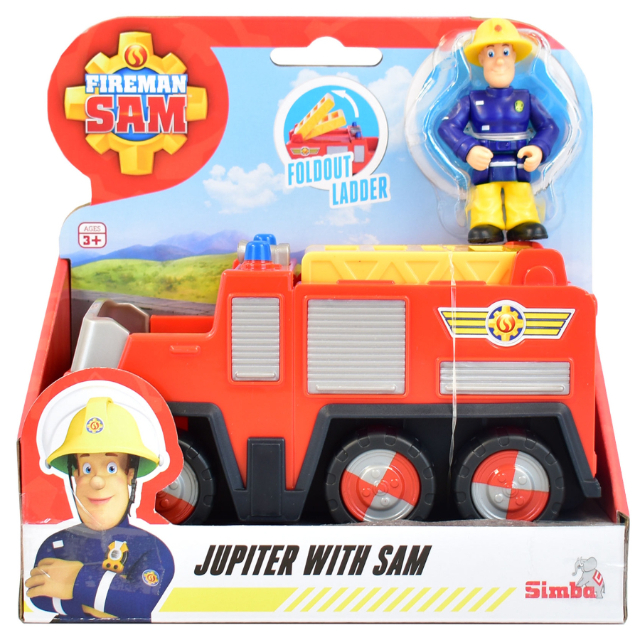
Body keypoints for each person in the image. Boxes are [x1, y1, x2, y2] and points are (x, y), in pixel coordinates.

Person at [25, 397, 174, 621]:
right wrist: (100, 602)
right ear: (75, 475)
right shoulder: (55, 543)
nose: (96, 481)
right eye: (86, 469)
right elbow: (37, 594)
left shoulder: (151, 547)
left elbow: (140, 604)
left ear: (129, 475)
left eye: (111, 468)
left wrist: (76, 580)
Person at [439, 18, 559, 244]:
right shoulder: (472, 100)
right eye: (491, 54)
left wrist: (538, 148)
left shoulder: (526, 99)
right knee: (485, 195)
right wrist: (468, 149)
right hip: (485, 162)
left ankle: (522, 219)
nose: (500, 61)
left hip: (518, 161)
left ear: (514, 56)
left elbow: (549, 126)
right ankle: (486, 221)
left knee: (520, 192)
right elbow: (447, 126)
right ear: (481, 59)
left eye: (505, 52)